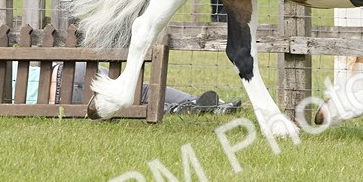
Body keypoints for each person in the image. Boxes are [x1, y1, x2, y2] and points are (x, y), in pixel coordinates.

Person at [52, 62, 240, 115]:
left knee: (129, 104)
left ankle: (187, 108)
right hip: (69, 70)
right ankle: (210, 105)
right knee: (140, 90)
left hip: (62, 95)